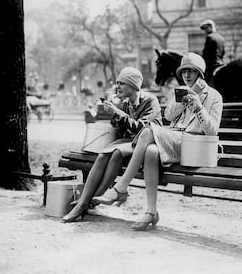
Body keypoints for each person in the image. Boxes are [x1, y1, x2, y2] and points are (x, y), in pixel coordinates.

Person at [95, 53, 223, 231]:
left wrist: (199, 105)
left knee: (147, 131)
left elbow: (212, 131)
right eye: (184, 71)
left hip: (194, 146)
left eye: (191, 72)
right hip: (176, 141)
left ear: (200, 74)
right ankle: (151, 212)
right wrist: (182, 100)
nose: (186, 75)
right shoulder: (182, 91)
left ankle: (121, 187)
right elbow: (169, 117)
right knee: (151, 151)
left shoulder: (214, 96)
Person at [62, 67, 163, 223]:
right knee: (104, 154)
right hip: (129, 143)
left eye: (122, 83)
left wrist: (118, 113)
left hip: (148, 142)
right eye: (118, 83)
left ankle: (86, 203)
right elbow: (122, 132)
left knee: (116, 152)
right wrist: (115, 114)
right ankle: (86, 202)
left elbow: (142, 129)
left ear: (133, 85)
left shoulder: (150, 100)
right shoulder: (126, 103)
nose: (118, 87)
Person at [200, 19, 225, 86]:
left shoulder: (210, 37)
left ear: (211, 27)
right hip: (221, 63)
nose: (205, 31)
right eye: (204, 29)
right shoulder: (221, 37)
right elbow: (223, 52)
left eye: (206, 28)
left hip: (212, 65)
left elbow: (206, 53)